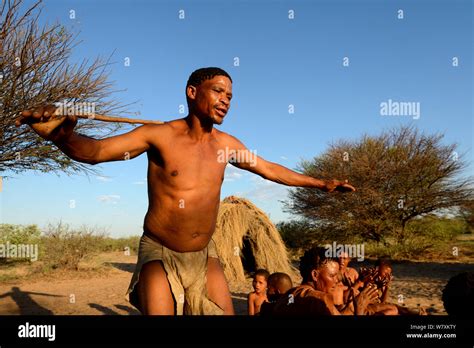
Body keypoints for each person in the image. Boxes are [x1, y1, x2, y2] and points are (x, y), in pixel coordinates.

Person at [16, 67, 356, 315]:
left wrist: (320, 183)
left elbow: (269, 169)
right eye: (218, 91)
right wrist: (61, 137)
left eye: (230, 96)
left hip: (204, 254)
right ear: (192, 92)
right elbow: (94, 153)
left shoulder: (226, 145)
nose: (225, 100)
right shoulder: (158, 135)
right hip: (160, 251)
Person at [271, 246, 379, 315]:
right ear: (315, 275)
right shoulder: (319, 299)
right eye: (332, 276)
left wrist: (350, 307)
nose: (336, 280)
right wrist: (359, 309)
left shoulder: (290, 294)